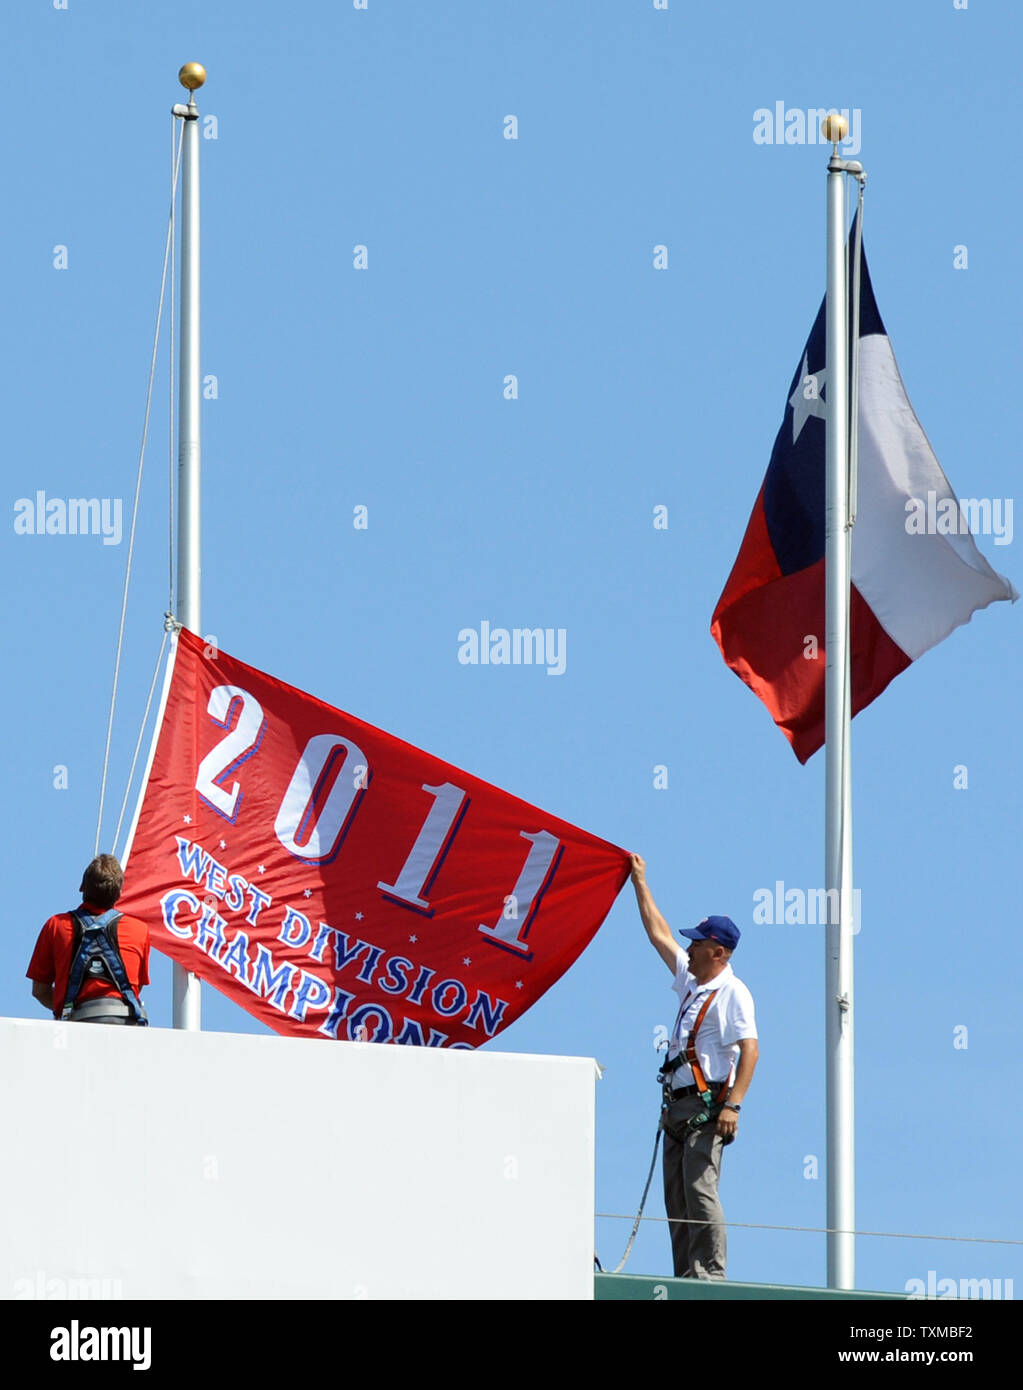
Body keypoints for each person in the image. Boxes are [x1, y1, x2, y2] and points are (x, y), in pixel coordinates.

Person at [630, 852, 758, 1280]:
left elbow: (751, 1050)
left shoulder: (732, 992)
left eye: (698, 944)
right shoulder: (693, 982)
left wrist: (732, 1106)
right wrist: (639, 882)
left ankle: (710, 1276)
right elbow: (659, 935)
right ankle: (686, 1276)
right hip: (677, 1109)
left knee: (700, 1191)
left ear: (718, 952)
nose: (689, 948)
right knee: (678, 1199)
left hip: (707, 1109)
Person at [27, 854, 150, 1025]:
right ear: (119, 893)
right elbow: (136, 987)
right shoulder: (139, 930)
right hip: (126, 1026)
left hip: (77, 1024)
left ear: (82, 887)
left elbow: (40, 990)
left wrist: (66, 1006)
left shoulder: (56, 926)